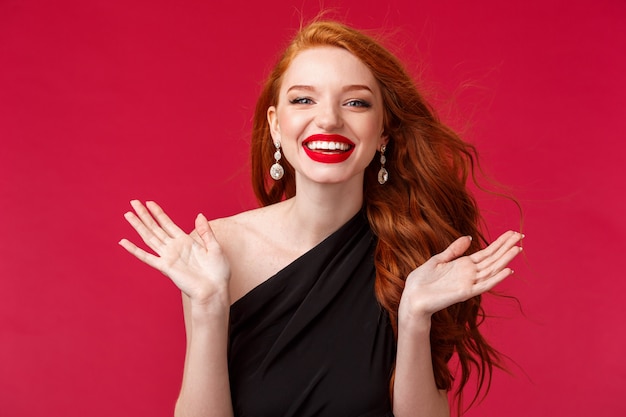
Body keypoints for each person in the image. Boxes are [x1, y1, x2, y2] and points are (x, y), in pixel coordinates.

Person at [119, 20, 523, 417]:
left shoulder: (414, 254)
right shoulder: (217, 251)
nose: (329, 119)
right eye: (303, 100)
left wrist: (415, 316)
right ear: (276, 126)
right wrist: (207, 306)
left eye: (356, 102)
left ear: (384, 131)